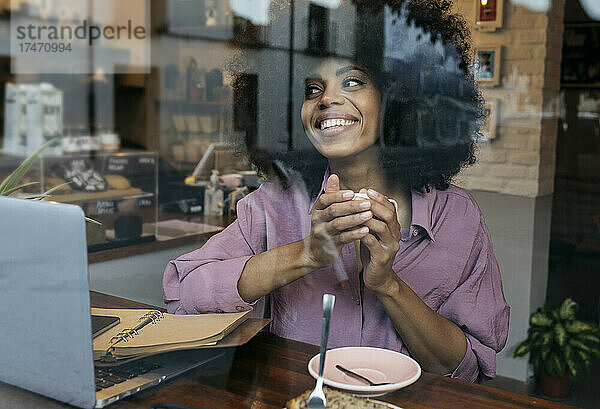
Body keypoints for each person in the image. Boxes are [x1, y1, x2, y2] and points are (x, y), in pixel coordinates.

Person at [163, 0, 509, 383]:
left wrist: (387, 285)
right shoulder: (273, 205)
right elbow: (183, 297)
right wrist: (307, 254)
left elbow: (468, 368)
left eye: (352, 81)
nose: (326, 99)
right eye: (313, 89)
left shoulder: (457, 219)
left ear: (399, 96)